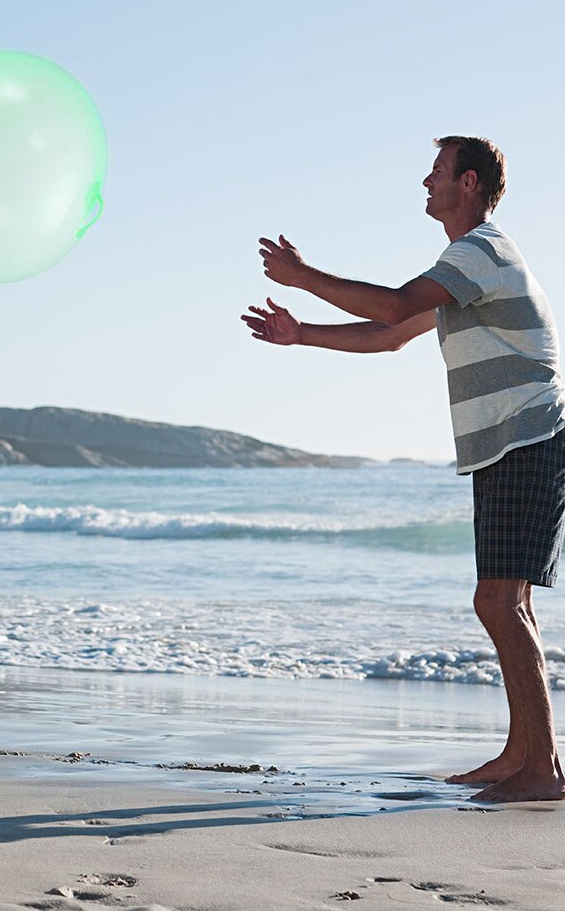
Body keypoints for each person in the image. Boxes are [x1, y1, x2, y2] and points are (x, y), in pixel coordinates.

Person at [241, 137, 565, 803]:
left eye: (438, 172)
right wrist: (301, 333)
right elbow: (390, 336)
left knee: (498, 601)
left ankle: (545, 771)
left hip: (530, 435)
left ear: (468, 183)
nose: (426, 180)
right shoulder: (463, 265)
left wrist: (305, 276)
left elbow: (391, 308)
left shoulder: (481, 251)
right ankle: (522, 753)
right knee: (510, 602)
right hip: (508, 443)